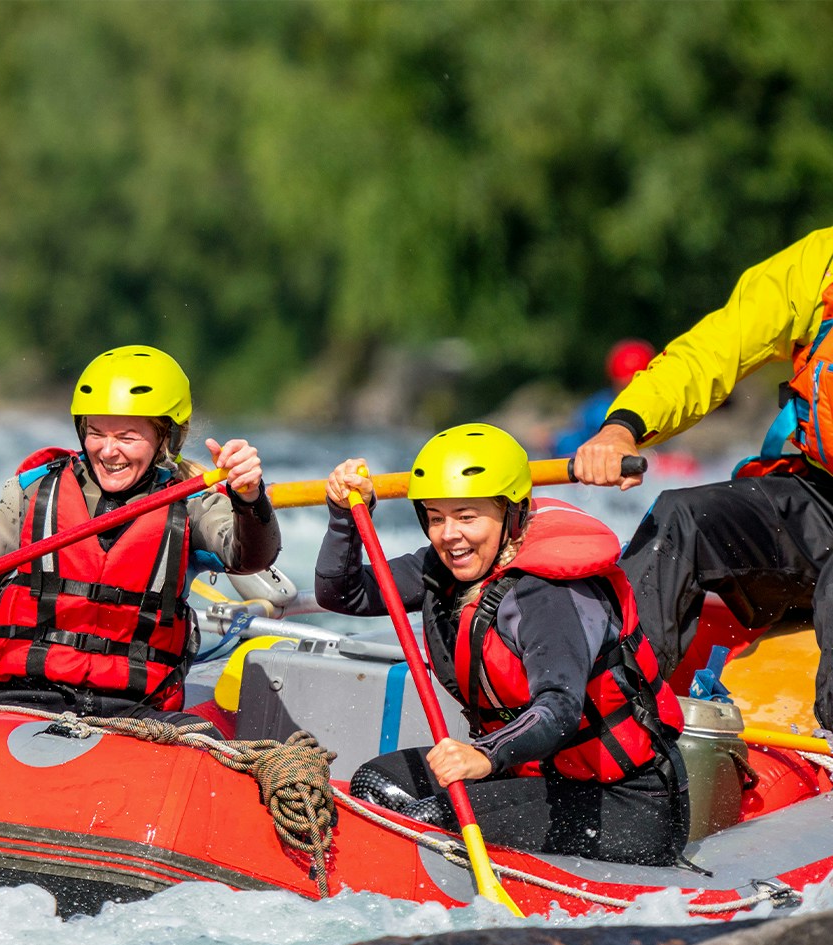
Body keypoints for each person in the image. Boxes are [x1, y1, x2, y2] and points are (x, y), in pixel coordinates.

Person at [315, 423, 689, 865]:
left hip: (628, 804)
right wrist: (344, 518)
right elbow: (343, 593)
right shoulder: (449, 567)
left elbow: (559, 709)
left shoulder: (551, 594)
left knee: (431, 820)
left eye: (467, 516)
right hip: (534, 776)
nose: (449, 535)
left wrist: (483, 755)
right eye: (435, 518)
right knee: (376, 784)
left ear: (512, 514)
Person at [0, 345, 281, 723]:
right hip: (22, 700)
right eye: (96, 433)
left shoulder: (192, 499)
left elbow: (249, 557)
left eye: (127, 437)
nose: (108, 450)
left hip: (135, 711)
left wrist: (249, 497)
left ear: (166, 437)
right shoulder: (34, 493)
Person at [572, 227, 833, 730]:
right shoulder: (819, 264)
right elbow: (710, 352)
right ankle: (609, 724)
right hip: (822, 498)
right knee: (682, 518)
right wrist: (623, 426)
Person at [551, 338, 658, 456]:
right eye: (623, 385)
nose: (627, 392)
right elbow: (570, 441)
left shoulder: (664, 407)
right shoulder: (598, 410)